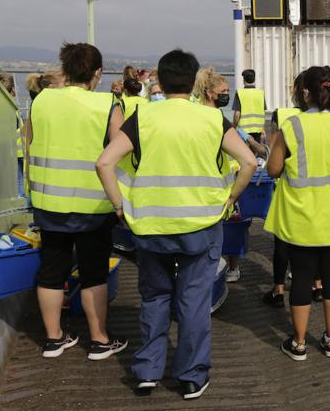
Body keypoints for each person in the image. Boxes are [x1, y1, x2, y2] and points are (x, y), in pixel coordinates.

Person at [96, 49, 256, 399]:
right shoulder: (213, 120)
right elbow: (248, 161)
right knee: (194, 300)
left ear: (161, 81)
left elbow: (104, 163)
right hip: (201, 225)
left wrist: (120, 206)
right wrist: (230, 198)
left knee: (154, 297)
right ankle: (191, 375)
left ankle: (147, 371)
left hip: (151, 227)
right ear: (194, 80)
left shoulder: (143, 117)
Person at [25, 43, 127, 360]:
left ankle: (54, 339)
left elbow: (28, 146)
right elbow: (121, 150)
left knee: (51, 270)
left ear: (65, 69)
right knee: (94, 272)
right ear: (97, 73)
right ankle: (99, 340)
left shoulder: (41, 100)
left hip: (48, 200)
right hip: (94, 206)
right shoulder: (108, 104)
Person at [264, 66, 330, 361]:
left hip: (301, 217)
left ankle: (299, 343)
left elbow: (273, 169)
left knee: (303, 278)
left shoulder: (291, 126)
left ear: (305, 92)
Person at [194, 67, 264, 283]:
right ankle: (219, 271)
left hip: (218, 178)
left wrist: (252, 142)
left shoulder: (202, 112)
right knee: (225, 228)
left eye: (227, 90)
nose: (226, 94)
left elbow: (235, 130)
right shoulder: (211, 116)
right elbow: (242, 148)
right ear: (209, 92)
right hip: (218, 182)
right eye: (222, 91)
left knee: (228, 227)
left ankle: (226, 268)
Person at [261, 73, 321, 309]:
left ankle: (278, 290)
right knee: (316, 243)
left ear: (300, 92)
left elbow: (273, 164)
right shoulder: (327, 121)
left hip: (290, 192)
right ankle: (318, 285)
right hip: (319, 193)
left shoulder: (283, 116)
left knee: (282, 244)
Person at [233, 69, 267, 142]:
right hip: (258, 130)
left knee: (243, 152)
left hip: (243, 130)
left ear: (243, 80)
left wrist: (234, 127)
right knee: (254, 151)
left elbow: (237, 114)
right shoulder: (260, 93)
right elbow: (263, 112)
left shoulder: (240, 93)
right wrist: (263, 129)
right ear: (254, 79)